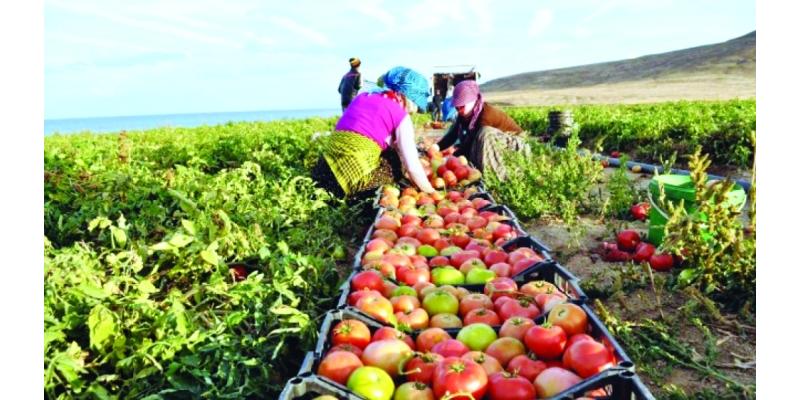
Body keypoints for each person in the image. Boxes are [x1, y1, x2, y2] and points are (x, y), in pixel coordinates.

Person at [313, 66, 436, 198]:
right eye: (415, 105)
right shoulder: (400, 115)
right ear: (407, 98)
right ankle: (360, 195)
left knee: (387, 151)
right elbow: (412, 165)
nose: (413, 112)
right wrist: (431, 192)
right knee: (395, 163)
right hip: (348, 183)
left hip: (323, 172)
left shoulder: (362, 97)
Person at [435, 80, 529, 179]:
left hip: (514, 145)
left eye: (462, 106)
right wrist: (437, 147)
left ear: (473, 100)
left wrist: (452, 158)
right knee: (469, 143)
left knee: (484, 133)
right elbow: (453, 134)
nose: (459, 110)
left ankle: (498, 177)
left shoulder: (486, 114)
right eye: (457, 107)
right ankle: (478, 170)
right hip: (496, 144)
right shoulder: (464, 115)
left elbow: (471, 142)